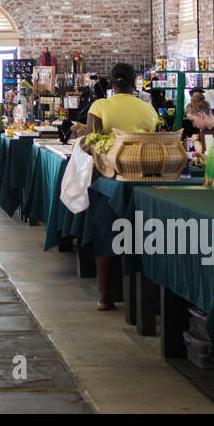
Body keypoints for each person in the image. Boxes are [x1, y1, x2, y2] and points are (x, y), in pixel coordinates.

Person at [87, 63, 161, 312]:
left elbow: (90, 144)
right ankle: (148, 299)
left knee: (105, 235)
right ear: (135, 82)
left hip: (108, 179)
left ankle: (105, 296)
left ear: (110, 83)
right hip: (143, 179)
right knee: (144, 237)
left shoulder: (100, 106)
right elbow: (154, 142)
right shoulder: (148, 109)